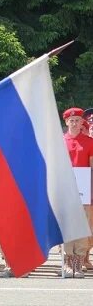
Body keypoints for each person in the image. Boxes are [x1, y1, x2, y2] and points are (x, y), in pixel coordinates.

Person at [61, 107, 92, 278]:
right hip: (65, 190)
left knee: (82, 226)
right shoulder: (60, 141)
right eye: (71, 120)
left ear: (82, 123)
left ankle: (78, 262)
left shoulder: (89, 142)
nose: (74, 123)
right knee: (67, 226)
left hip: (84, 190)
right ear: (66, 122)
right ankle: (68, 260)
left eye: (77, 120)